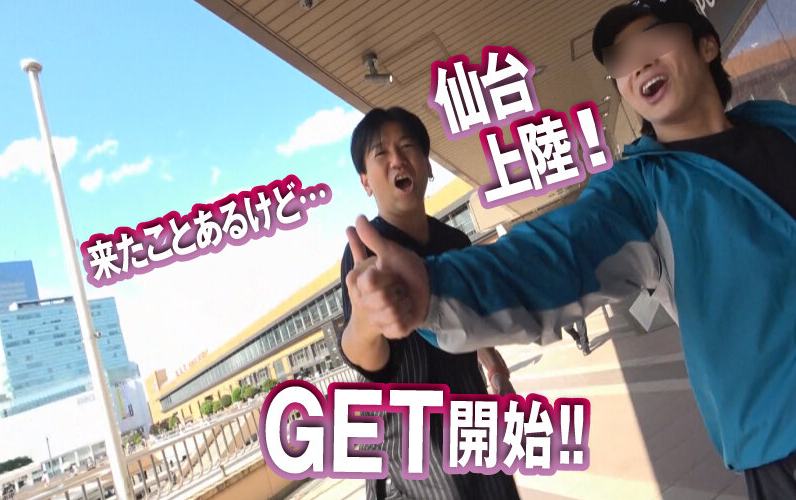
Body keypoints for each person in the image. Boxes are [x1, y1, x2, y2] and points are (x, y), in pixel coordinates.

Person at [344, 1, 796, 498]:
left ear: (707, 45)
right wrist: (431, 292)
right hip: (783, 435)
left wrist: (489, 360)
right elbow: (549, 257)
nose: (638, 63)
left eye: (654, 39)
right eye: (622, 60)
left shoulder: (782, 125)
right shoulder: (639, 194)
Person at [340, 107, 519, 500]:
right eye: (381, 153)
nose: (397, 160)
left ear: (427, 165)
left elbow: (471, 321)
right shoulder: (363, 256)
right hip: (411, 448)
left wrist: (494, 366)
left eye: (408, 147)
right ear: (365, 181)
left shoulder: (455, 242)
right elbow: (362, 355)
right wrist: (368, 323)